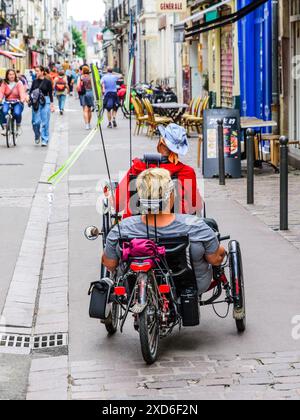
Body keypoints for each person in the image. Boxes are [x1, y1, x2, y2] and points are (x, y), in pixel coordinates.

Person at [102, 168, 226, 295]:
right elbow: (215, 259)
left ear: (139, 196)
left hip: (135, 287)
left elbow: (110, 264)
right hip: (193, 284)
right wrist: (221, 250)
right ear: (171, 195)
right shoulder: (196, 226)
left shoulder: (121, 229)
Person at [115, 123, 203, 218]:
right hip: (177, 228)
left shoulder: (138, 167)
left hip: (136, 228)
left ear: (161, 142)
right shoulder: (187, 172)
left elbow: (117, 204)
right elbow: (195, 206)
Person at [30, 65, 55, 147]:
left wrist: (51, 104)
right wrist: (28, 97)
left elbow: (51, 94)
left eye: (37, 71)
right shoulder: (34, 81)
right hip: (36, 102)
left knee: (45, 121)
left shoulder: (47, 82)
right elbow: (30, 92)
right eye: (35, 71)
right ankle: (37, 135)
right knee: (35, 122)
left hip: (46, 101)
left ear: (42, 72)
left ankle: (45, 139)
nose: (36, 72)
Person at [0, 69, 27, 136]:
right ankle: (5, 128)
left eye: (13, 74)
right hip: (7, 101)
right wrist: (0, 99)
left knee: (17, 112)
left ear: (15, 75)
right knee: (4, 110)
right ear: (7, 75)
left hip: (17, 101)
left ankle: (18, 126)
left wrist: (22, 99)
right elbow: (1, 92)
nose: (12, 76)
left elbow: (22, 92)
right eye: (10, 74)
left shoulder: (19, 83)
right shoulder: (4, 83)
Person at [77, 66, 94, 130]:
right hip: (90, 93)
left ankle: (86, 124)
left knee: (85, 110)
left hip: (83, 94)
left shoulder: (81, 77)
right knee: (89, 109)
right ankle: (89, 123)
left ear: (83, 71)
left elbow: (78, 87)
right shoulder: (91, 77)